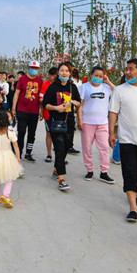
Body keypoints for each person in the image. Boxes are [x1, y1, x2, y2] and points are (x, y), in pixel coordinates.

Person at [108, 59, 137, 222]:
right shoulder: (120, 90)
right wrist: (111, 133)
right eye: (126, 69)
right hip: (126, 138)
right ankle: (133, 208)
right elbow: (113, 112)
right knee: (129, 171)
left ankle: (134, 193)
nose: (127, 72)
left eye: (131, 69)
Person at [42, 61, 81, 191]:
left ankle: (56, 169)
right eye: (62, 70)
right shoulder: (53, 87)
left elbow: (79, 102)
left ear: (70, 73)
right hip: (56, 121)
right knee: (59, 148)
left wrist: (75, 102)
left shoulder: (72, 87)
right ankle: (61, 178)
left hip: (69, 122)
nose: (64, 72)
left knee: (66, 147)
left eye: (67, 71)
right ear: (58, 72)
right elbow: (45, 104)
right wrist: (56, 108)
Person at [77, 66, 116, 183]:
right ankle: (89, 170)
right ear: (91, 75)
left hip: (102, 123)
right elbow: (79, 104)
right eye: (96, 76)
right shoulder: (84, 87)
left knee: (104, 148)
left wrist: (108, 81)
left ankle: (104, 172)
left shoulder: (106, 88)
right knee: (87, 148)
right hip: (87, 123)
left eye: (101, 76)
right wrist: (79, 120)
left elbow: (118, 92)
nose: (98, 78)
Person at [12, 61, 43, 163]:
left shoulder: (40, 81)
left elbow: (41, 97)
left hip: (34, 111)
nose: (34, 69)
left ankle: (28, 153)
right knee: (21, 132)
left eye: (36, 68)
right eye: (32, 67)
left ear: (38, 69)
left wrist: (41, 110)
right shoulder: (22, 79)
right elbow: (16, 94)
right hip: (22, 110)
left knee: (32, 133)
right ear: (28, 68)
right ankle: (18, 152)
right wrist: (13, 108)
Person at [39, 67, 58, 163]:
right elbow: (41, 99)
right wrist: (42, 111)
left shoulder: (60, 85)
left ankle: (60, 156)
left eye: (54, 75)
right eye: (51, 75)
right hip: (48, 113)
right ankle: (49, 154)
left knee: (59, 134)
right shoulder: (45, 85)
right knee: (49, 133)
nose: (52, 77)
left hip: (60, 114)